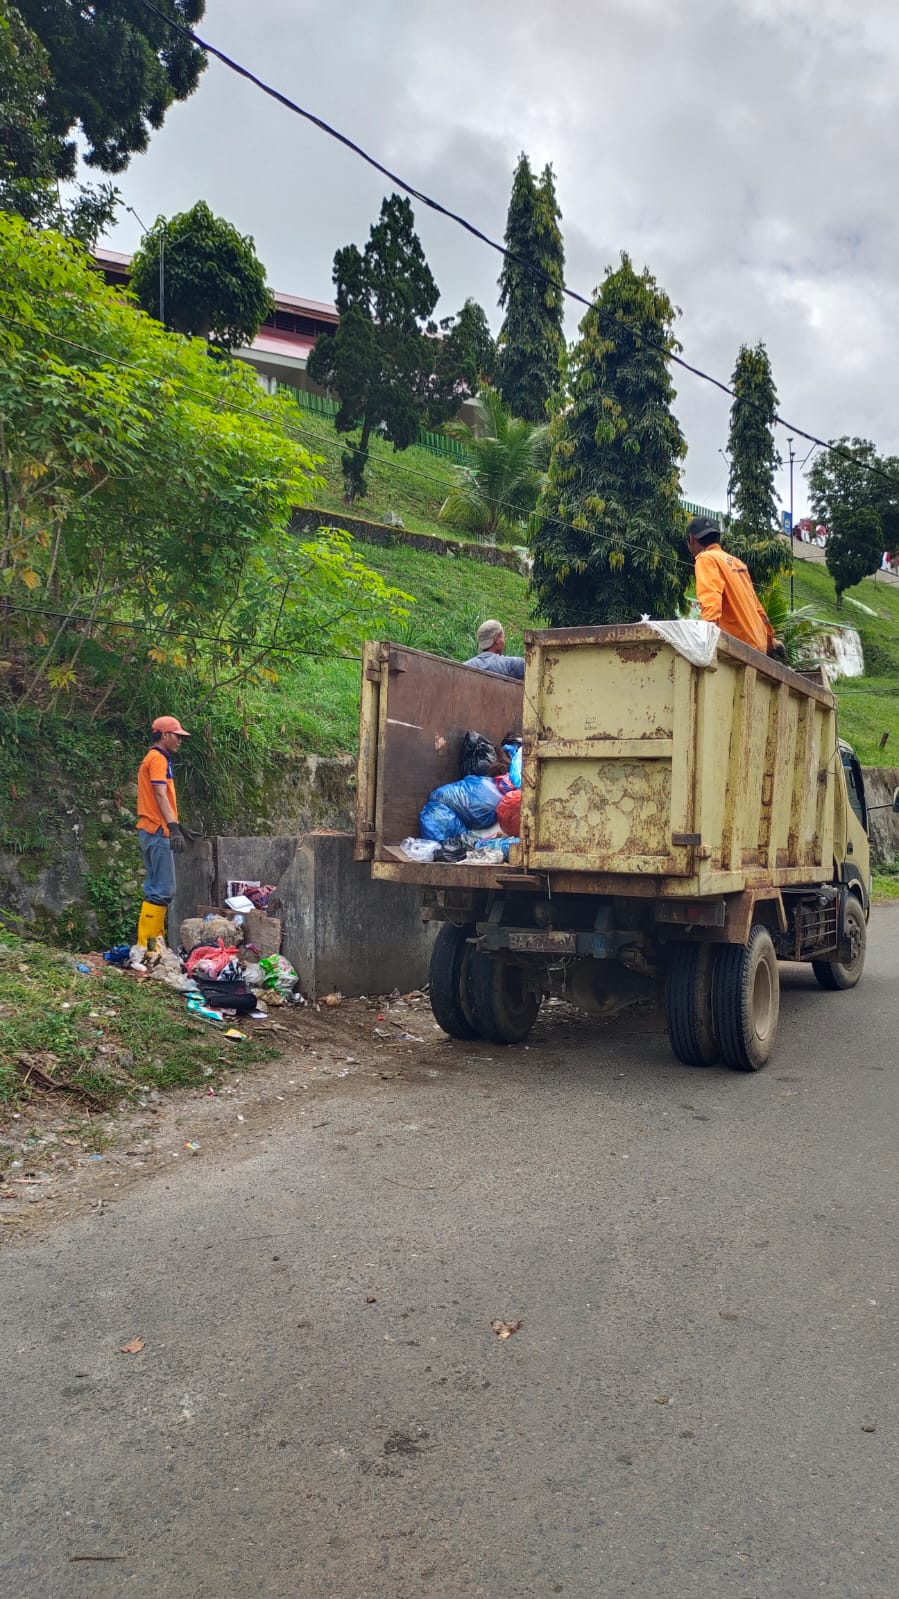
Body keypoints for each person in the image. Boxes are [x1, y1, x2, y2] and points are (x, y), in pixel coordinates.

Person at [135, 715, 196, 947]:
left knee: (155, 889)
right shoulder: (158, 759)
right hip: (158, 832)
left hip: (151, 830)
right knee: (163, 890)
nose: (180, 740)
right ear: (164, 735)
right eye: (177, 736)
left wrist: (178, 825)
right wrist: (172, 827)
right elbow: (159, 794)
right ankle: (149, 946)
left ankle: (151, 946)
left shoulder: (155, 758)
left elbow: (159, 798)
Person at [686, 517, 782, 658]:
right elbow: (756, 606)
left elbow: (711, 599)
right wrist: (770, 640)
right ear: (718, 538)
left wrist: (705, 638)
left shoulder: (706, 559)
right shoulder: (737, 563)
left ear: (691, 539)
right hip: (758, 647)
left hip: (738, 649)